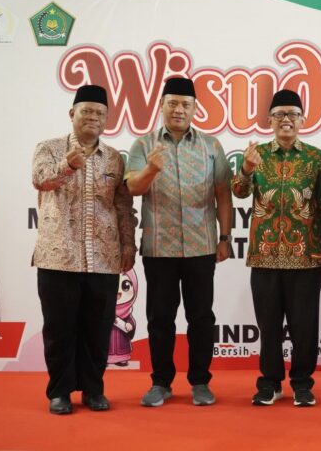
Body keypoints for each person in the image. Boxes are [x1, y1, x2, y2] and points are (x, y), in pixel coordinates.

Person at [126, 77, 233, 407]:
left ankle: (200, 382)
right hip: (159, 248)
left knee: (201, 317)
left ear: (195, 108)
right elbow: (133, 188)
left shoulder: (211, 146)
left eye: (185, 104)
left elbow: (223, 194)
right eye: (172, 103)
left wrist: (225, 237)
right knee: (160, 318)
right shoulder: (143, 145)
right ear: (161, 106)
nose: (178, 109)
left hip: (202, 246)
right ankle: (161, 382)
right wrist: (151, 169)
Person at [32, 84, 136, 414]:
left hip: (104, 258)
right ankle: (60, 392)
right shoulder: (49, 148)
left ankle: (93, 390)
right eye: (87, 111)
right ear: (72, 113)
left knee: (97, 330)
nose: (93, 117)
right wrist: (68, 165)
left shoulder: (114, 158)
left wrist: (128, 244)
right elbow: (40, 180)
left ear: (106, 119)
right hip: (58, 256)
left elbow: (122, 205)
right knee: (59, 330)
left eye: (100, 113)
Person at [232, 89, 321, 407]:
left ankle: (302, 383)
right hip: (264, 256)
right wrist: (247, 169)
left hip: (306, 256)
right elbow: (239, 192)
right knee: (268, 326)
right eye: (279, 114)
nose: (286, 120)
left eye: (292, 114)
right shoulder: (257, 154)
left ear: (303, 120)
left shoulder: (315, 157)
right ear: (270, 120)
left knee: (304, 326)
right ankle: (270, 382)